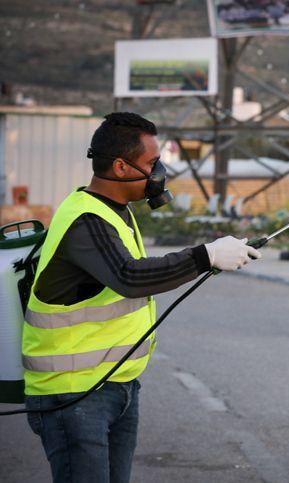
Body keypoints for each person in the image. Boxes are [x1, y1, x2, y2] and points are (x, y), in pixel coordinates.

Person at [22, 112, 261, 483]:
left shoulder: (115, 212)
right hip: (73, 393)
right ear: (121, 166)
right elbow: (129, 276)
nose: (158, 172)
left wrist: (214, 256)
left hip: (115, 385)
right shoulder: (87, 220)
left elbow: (136, 273)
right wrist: (206, 256)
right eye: (152, 163)